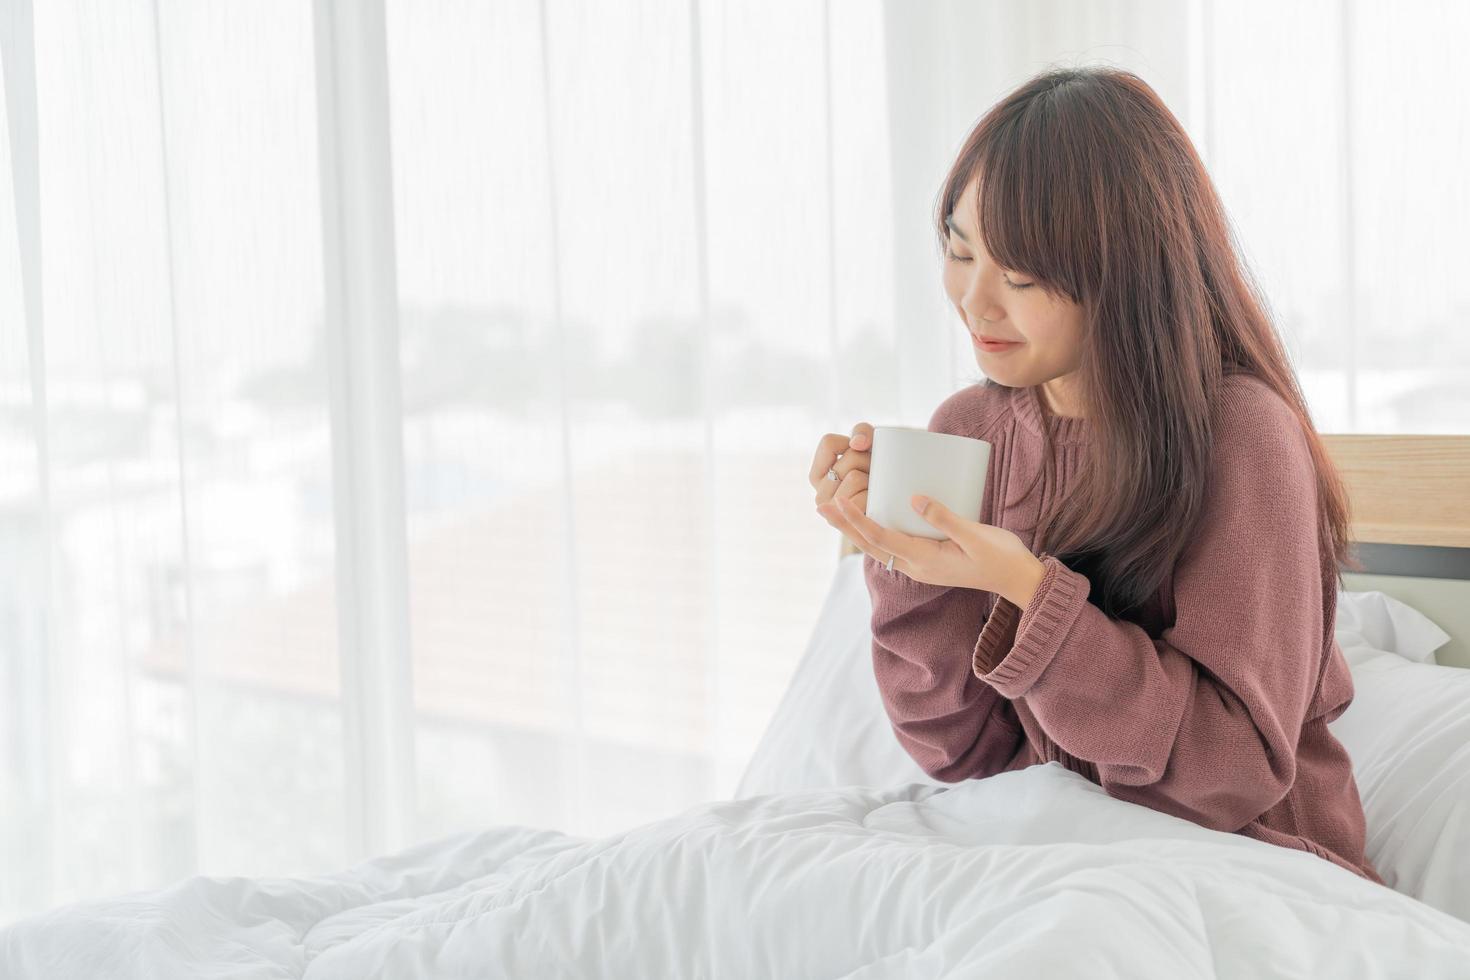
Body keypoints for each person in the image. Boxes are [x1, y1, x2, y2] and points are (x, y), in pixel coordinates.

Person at [808, 66, 1384, 886]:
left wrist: (1030, 596)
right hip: (1056, 862)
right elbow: (959, 752)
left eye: (1020, 276)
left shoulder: (1242, 435)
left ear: (1125, 272)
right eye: (959, 252)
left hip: (1255, 872)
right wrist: (901, 555)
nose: (974, 302)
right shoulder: (969, 432)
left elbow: (1231, 773)